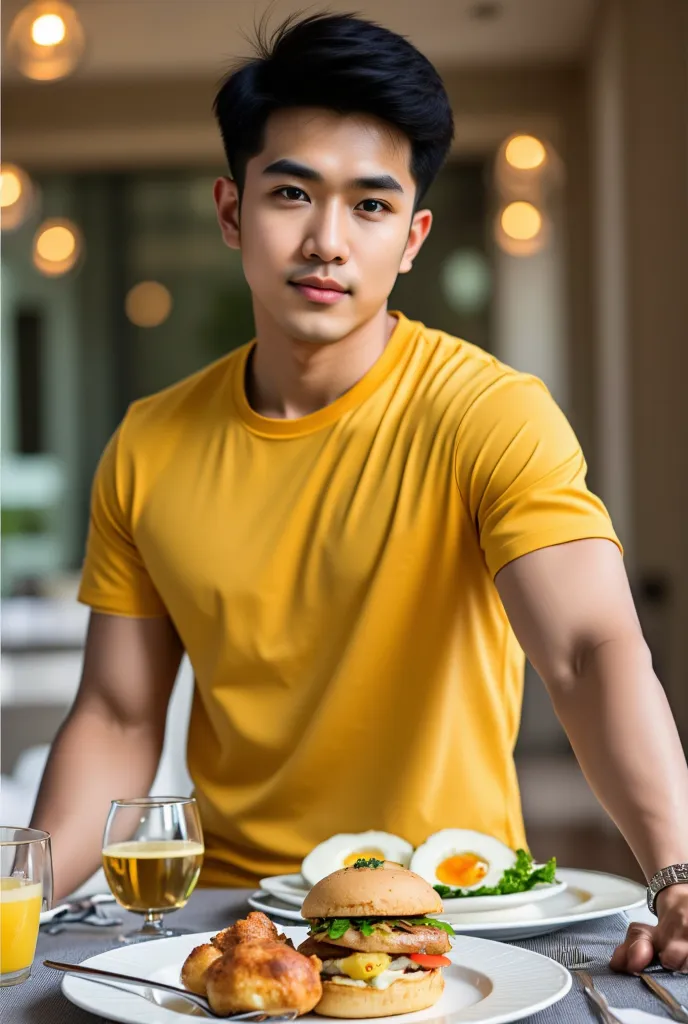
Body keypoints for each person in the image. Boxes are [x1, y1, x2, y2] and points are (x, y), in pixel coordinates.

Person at [31, 12, 688, 973]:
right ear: (230, 211)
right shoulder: (148, 443)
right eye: (291, 193)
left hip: (459, 917)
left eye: (371, 206)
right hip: (238, 919)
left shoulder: (491, 413)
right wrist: (24, 889)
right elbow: (120, 715)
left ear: (414, 235)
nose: (326, 240)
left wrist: (675, 872)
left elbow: (589, 652)